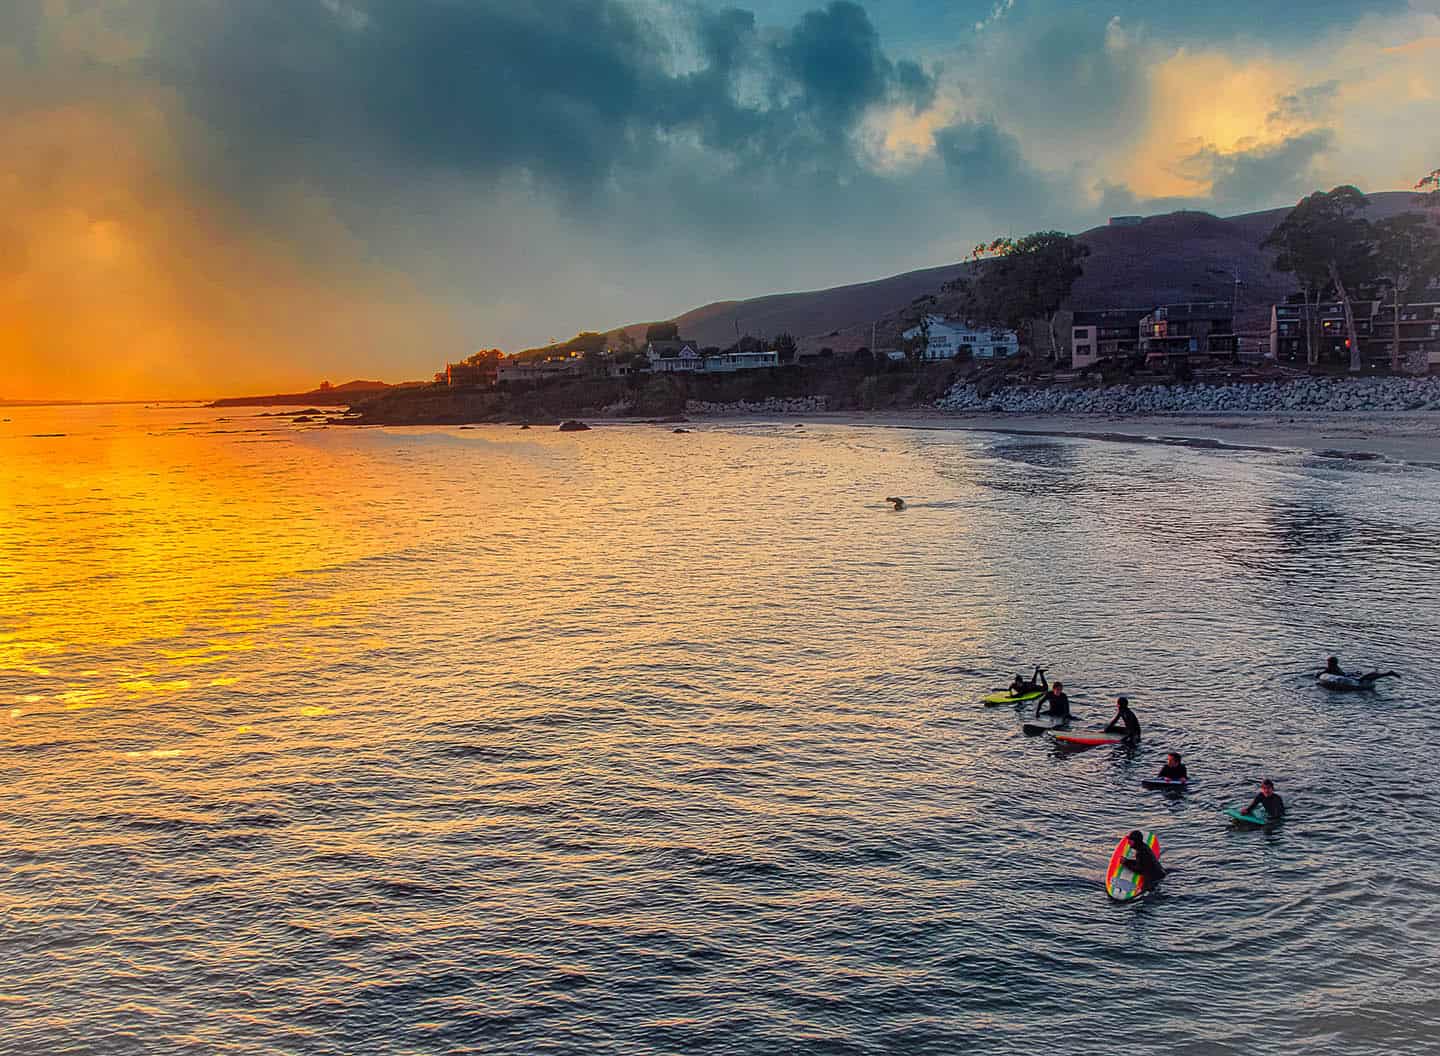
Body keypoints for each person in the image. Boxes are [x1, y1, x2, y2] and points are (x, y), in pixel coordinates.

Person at [1323, 656, 1398, 684]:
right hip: (1347, 677)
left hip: (1348, 678)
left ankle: (1387, 673)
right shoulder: (1336, 667)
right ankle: (1382, 673)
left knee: (1362, 679)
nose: (1327, 663)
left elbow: (1320, 674)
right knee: (1365, 678)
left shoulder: (1330, 668)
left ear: (1331, 663)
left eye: (1328, 662)